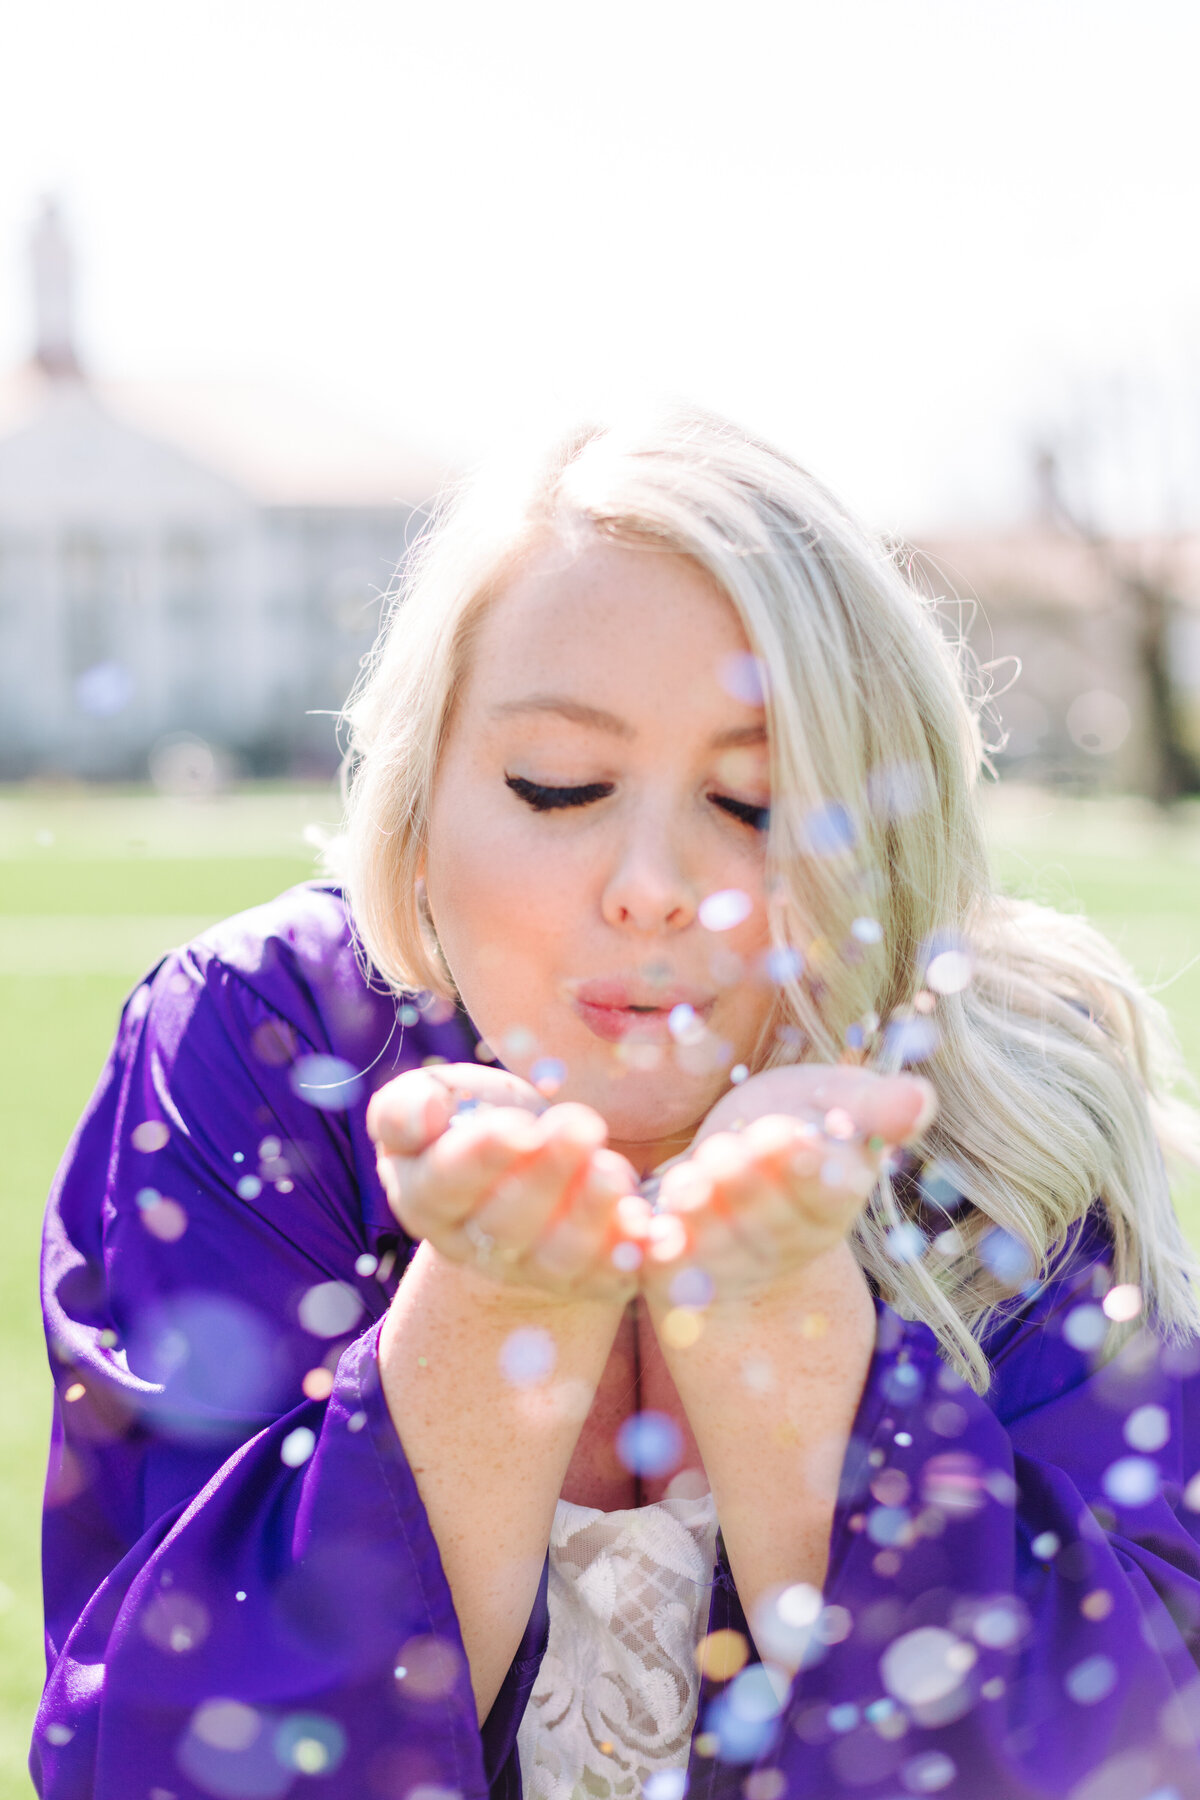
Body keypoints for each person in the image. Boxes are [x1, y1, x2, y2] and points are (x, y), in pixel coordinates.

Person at [32, 409, 1200, 1800]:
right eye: (559, 785)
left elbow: (1120, 1755)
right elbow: (165, 1758)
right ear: (417, 805)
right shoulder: (265, 1045)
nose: (651, 882)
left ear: (890, 846)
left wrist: (786, 1337)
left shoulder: (1009, 1107)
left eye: (756, 801)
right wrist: (489, 1319)